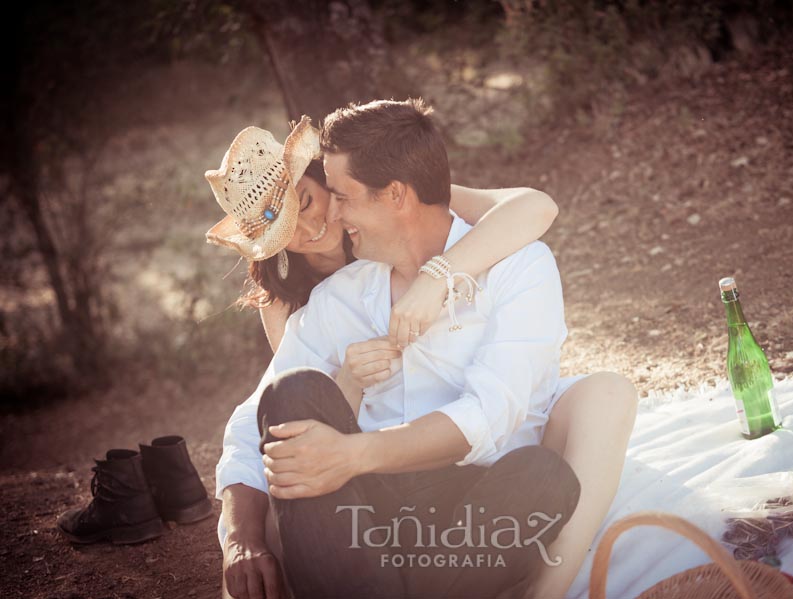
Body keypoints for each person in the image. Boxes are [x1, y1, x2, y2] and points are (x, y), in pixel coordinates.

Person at [208, 105, 637, 599]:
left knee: (542, 476)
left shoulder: (508, 260)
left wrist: (437, 278)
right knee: (294, 391)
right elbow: (261, 419)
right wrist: (240, 537)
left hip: (470, 492)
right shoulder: (326, 299)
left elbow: (490, 413)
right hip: (368, 500)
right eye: (283, 234)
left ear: (392, 193)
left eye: (319, 200)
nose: (324, 221)